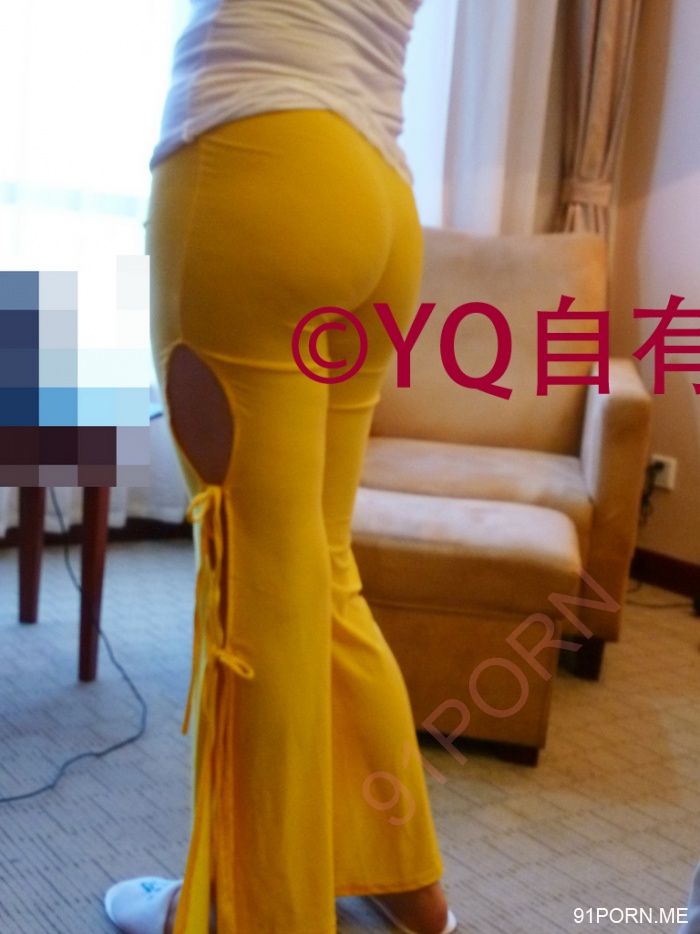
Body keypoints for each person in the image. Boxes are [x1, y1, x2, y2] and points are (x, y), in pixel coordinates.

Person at [103, 1, 457, 931]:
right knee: (318, 567)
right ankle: (406, 883)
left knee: (255, 579)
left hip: (255, 159)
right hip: (377, 196)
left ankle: (243, 909)